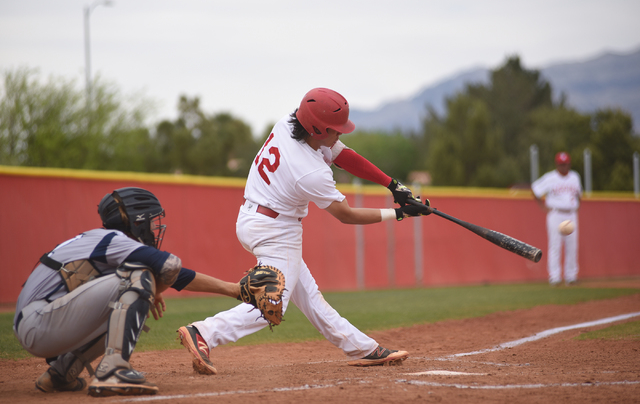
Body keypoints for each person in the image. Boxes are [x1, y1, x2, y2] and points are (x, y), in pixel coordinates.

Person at [177, 87, 431, 374]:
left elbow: (343, 154)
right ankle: (205, 333)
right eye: (335, 129)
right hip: (277, 230)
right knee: (271, 303)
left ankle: (363, 348)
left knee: (310, 298)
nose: (341, 134)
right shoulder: (310, 171)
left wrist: (391, 185)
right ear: (317, 129)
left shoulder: (289, 123)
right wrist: (398, 213)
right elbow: (345, 215)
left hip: (254, 218)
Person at [13, 187, 243, 397]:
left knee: (129, 300)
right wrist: (235, 290)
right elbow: (172, 266)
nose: (156, 227)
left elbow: (171, 272)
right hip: (40, 321)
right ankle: (113, 369)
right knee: (139, 278)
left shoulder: (100, 240)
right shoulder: (113, 240)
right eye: (152, 221)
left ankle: (61, 373)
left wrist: (234, 291)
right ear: (137, 221)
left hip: (38, 321)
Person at [531, 152, 583, 285]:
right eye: (561, 164)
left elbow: (579, 194)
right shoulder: (550, 177)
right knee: (555, 245)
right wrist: (542, 207)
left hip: (571, 214)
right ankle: (555, 277)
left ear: (569, 164)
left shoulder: (575, 177)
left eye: (565, 164)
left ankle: (571, 276)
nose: (564, 167)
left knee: (572, 246)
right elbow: (535, 189)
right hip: (556, 213)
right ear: (557, 165)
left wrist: (577, 206)